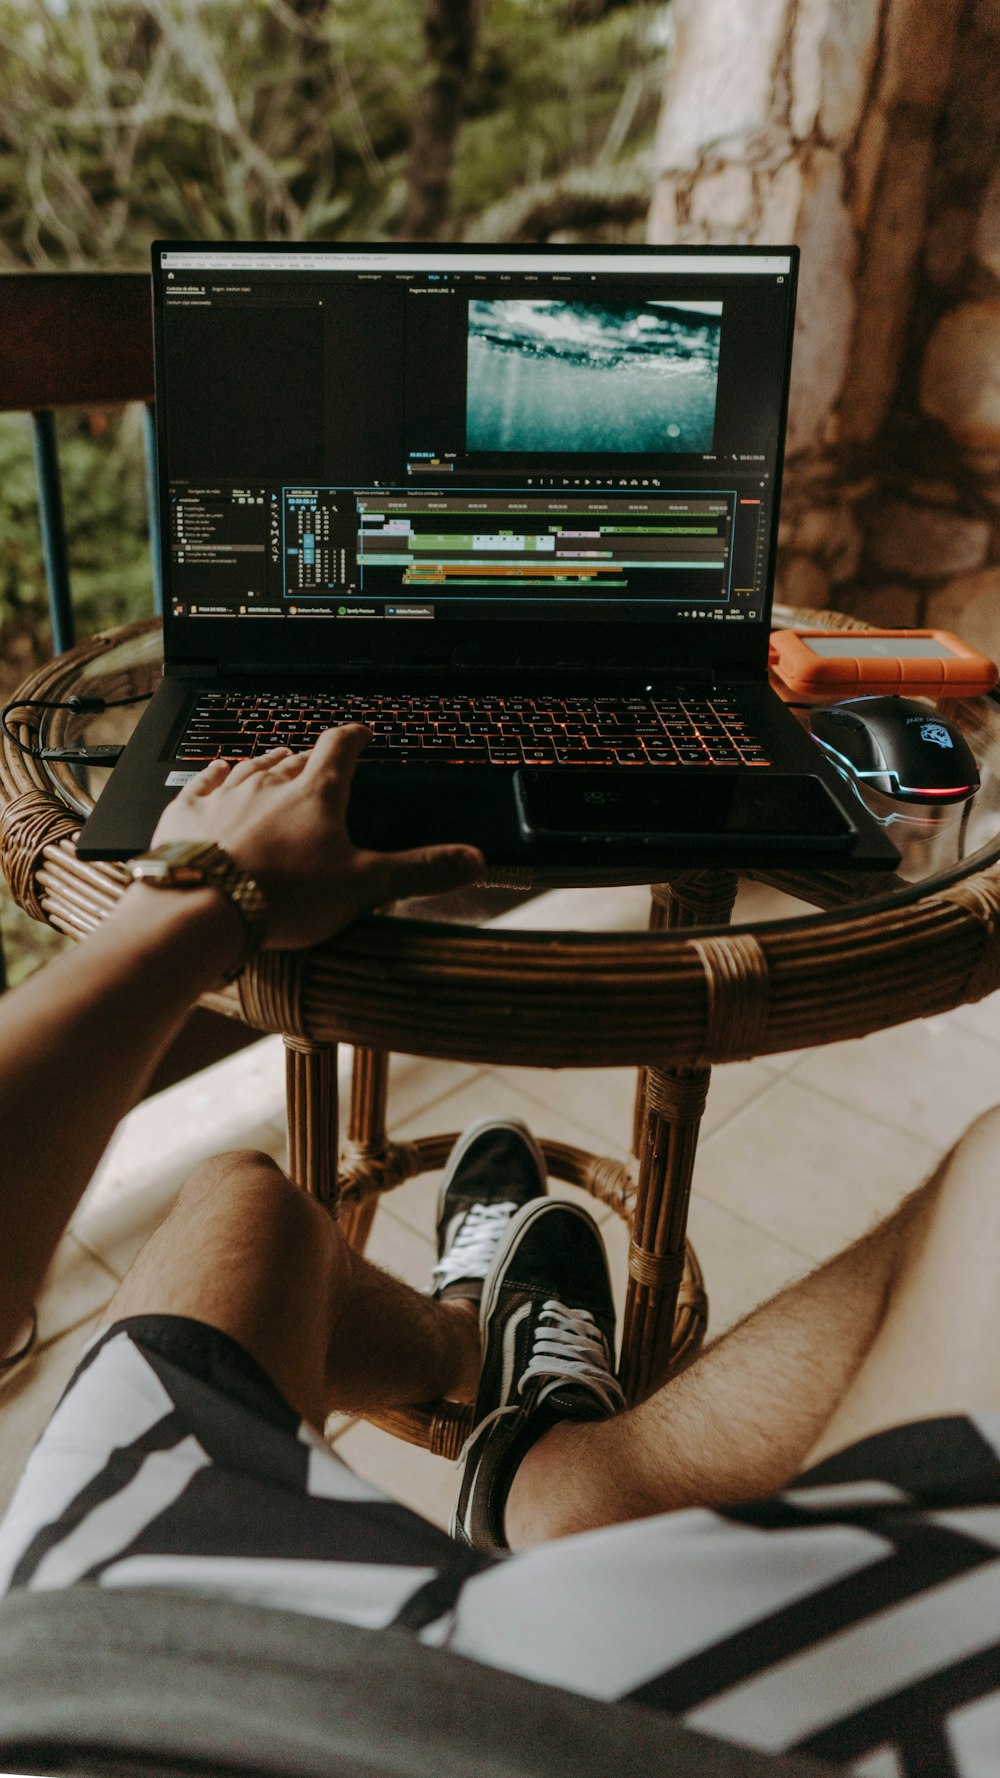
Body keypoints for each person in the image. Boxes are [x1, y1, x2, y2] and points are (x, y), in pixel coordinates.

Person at [0, 727, 998, 1778]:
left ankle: (476, 1353)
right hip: (746, 1727)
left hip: (111, 1696)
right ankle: (561, 1471)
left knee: (244, 1210)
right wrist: (212, 889)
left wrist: (193, 898)